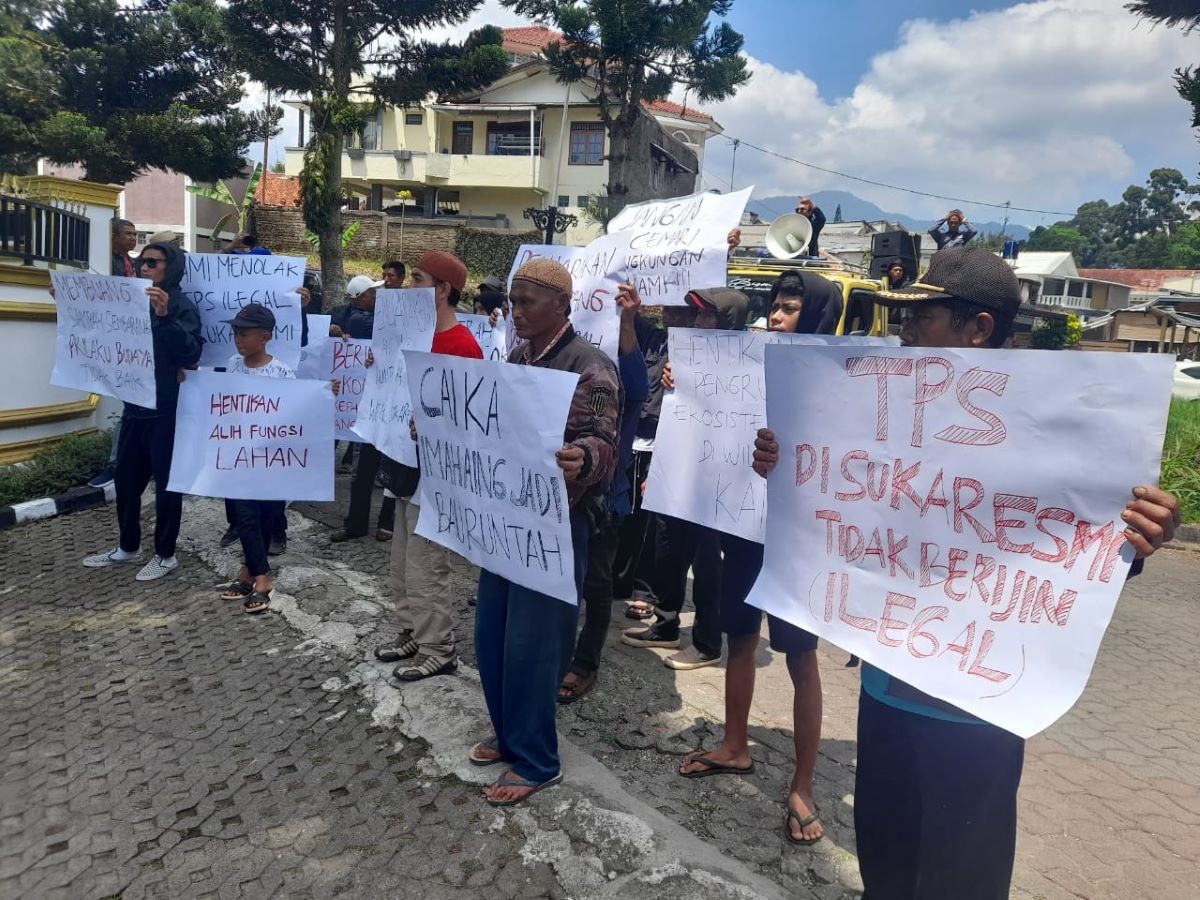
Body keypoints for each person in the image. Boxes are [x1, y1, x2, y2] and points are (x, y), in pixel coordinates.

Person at [751, 246, 1182, 899]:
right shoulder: (884, 415)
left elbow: (1070, 561)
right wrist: (784, 468)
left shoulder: (1063, 430)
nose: (904, 333)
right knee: (885, 870)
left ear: (977, 329)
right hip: (884, 692)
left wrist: (1139, 540)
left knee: (961, 883)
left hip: (978, 718)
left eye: (921, 318)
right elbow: (844, 508)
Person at [676, 269, 845, 846]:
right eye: (775, 305)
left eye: (792, 307)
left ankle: (803, 785)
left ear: (818, 315)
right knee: (739, 638)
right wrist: (687, 389)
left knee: (801, 658)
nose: (776, 315)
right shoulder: (748, 364)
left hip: (797, 540)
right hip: (745, 529)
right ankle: (735, 745)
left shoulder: (841, 380)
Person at [469, 258, 620, 806]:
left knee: (535, 646)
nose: (516, 311)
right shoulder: (515, 357)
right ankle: (510, 735)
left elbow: (606, 442)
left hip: (557, 525)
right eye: (513, 301)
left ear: (562, 304)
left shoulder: (592, 367)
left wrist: (582, 458)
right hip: (507, 519)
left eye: (527, 301)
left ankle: (538, 759)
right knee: (493, 636)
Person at [621, 288, 751, 671]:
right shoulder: (689, 355)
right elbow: (678, 418)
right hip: (681, 471)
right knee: (667, 548)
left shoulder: (747, 361)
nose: (696, 322)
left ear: (726, 320)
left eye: (705, 316)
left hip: (717, 482)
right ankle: (666, 625)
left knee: (706, 561)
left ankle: (707, 643)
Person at [373, 251, 483, 681]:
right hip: (404, 465)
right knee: (400, 560)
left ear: (441, 291)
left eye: (417, 279)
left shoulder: (462, 346)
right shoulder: (411, 335)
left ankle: (440, 647)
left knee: (425, 565)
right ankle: (412, 632)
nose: (408, 285)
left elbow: (472, 419)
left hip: (436, 479)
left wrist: (434, 426)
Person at [81, 243, 203, 581]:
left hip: (166, 410)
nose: (145, 267)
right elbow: (99, 329)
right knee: (126, 481)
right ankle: (128, 547)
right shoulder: (129, 302)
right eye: (141, 261)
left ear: (171, 268)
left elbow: (191, 352)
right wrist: (70, 303)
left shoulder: (180, 305)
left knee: (166, 485)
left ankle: (166, 554)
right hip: (134, 407)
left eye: (153, 262)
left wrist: (164, 319)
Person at [558, 282, 650, 702]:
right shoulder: (563, 367)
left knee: (595, 585)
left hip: (604, 501)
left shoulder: (621, 384)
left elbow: (637, 385)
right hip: (558, 498)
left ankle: (585, 663)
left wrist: (627, 319)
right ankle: (554, 653)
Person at [212, 303, 294, 614]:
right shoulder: (233, 364)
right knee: (244, 516)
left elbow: (295, 412)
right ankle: (262, 580)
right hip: (239, 458)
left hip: (271, 462)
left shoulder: (282, 372)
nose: (238, 340)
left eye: (245, 334)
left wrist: (326, 392)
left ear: (265, 337)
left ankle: (247, 572)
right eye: (235, 333)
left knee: (265, 517)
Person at [330, 274, 396, 542]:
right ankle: (378, 523)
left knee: (372, 468)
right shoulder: (360, 320)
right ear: (360, 298)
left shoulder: (345, 317)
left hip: (385, 401)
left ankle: (365, 523)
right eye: (372, 293)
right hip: (371, 405)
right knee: (369, 468)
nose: (377, 297)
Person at [87, 218, 140, 489]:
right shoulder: (105, 264)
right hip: (115, 342)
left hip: (138, 342)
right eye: (128, 234)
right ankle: (116, 464)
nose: (133, 238)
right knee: (130, 407)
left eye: (135, 234)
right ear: (114, 237)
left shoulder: (139, 265)